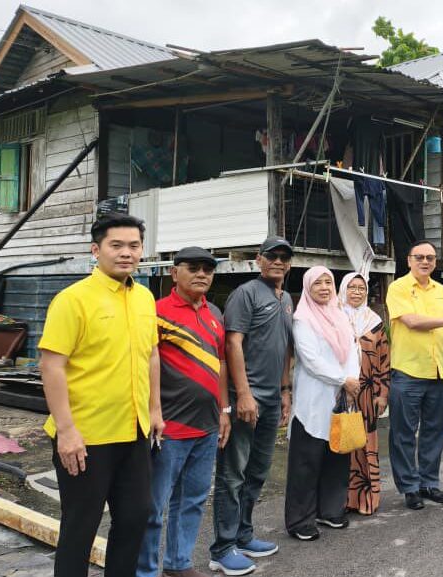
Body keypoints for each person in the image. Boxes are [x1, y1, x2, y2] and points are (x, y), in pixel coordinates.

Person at [39, 213, 163, 577]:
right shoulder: (72, 300)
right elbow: (52, 366)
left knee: (133, 521)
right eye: (117, 245)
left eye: (134, 246)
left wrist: (154, 409)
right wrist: (66, 431)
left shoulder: (144, 297)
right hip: (86, 437)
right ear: (96, 250)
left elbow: (151, 353)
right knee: (79, 529)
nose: (127, 253)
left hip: (135, 433)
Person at [138, 247, 230, 577]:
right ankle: (146, 570)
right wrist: (153, 412)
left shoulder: (215, 314)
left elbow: (219, 363)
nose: (202, 274)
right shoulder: (156, 312)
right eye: (193, 268)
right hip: (170, 428)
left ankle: (178, 564)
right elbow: (144, 363)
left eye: (208, 269)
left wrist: (224, 410)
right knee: (153, 507)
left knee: (192, 501)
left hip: (206, 428)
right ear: (175, 273)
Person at [210, 237, 294, 575]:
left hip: (273, 398)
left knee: (258, 471)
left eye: (284, 257)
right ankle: (222, 548)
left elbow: (286, 346)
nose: (278, 262)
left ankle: (243, 535)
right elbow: (232, 343)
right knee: (233, 474)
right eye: (271, 256)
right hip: (247, 397)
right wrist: (242, 394)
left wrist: (286, 389)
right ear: (258, 260)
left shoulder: (286, 298)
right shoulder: (245, 293)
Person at [386, 240, 443, 510]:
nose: (426, 262)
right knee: (403, 434)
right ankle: (409, 487)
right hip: (408, 372)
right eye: (420, 257)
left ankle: (429, 483)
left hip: (439, 373)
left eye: (431, 258)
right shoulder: (398, 287)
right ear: (409, 260)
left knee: (435, 432)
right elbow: (412, 322)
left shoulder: (441, 291)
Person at [284, 266, 361, 541]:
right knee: (307, 460)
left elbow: (352, 349)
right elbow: (311, 359)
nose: (325, 287)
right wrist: (343, 379)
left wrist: (352, 379)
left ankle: (330, 509)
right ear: (308, 287)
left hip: (341, 396)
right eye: (318, 283)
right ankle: (300, 520)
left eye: (329, 282)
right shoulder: (302, 319)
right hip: (313, 399)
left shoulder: (339, 315)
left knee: (336, 455)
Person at [339, 273, 390, 516]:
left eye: (361, 288)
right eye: (352, 287)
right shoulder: (334, 317)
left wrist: (383, 393)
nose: (357, 292)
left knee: (364, 443)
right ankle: (338, 499)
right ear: (343, 290)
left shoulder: (375, 321)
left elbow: (384, 359)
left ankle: (365, 499)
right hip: (338, 392)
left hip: (367, 394)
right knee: (339, 442)